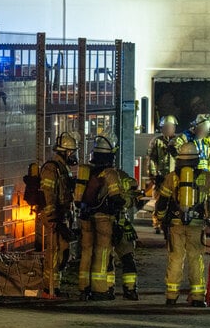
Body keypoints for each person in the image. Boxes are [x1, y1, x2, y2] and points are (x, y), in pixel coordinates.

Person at [155, 142, 210, 307]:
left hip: (175, 225)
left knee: (175, 259)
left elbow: (162, 201)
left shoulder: (172, 177)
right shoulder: (205, 177)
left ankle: (171, 296)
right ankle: (198, 297)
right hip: (196, 225)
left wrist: (161, 218)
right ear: (196, 159)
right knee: (195, 258)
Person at [76, 133, 129, 301]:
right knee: (102, 253)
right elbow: (116, 198)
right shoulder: (110, 173)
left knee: (86, 252)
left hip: (85, 217)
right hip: (103, 219)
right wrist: (126, 200)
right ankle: (99, 290)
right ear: (110, 155)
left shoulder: (87, 172)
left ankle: (84, 288)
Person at [37, 131, 80, 294]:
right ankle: (50, 287)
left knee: (63, 251)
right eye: (72, 152)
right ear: (66, 151)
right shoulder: (51, 168)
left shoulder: (63, 168)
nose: (73, 155)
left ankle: (56, 284)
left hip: (63, 215)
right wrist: (53, 217)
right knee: (53, 251)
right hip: (54, 216)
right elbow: (48, 194)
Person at [107, 168, 142, 300]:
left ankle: (108, 289)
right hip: (120, 224)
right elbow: (129, 200)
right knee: (127, 258)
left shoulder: (96, 176)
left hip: (105, 225)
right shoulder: (120, 175)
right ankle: (130, 290)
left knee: (107, 258)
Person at [146, 115, 180, 234]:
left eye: (170, 127)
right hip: (161, 177)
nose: (168, 129)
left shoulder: (179, 141)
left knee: (177, 200)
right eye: (166, 127)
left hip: (175, 178)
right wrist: (154, 175)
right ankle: (157, 223)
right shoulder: (157, 141)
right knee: (159, 201)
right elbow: (151, 159)